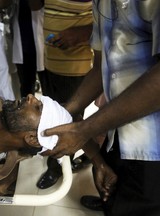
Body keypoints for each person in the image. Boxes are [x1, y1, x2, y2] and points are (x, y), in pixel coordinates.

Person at [41, 1, 160, 215]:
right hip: (119, 132)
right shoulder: (102, 3)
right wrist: (66, 113)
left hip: (154, 146)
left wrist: (83, 130)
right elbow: (103, 65)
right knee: (112, 197)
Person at [28, 0, 94, 189]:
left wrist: (81, 34)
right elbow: (36, 6)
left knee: (66, 120)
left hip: (75, 65)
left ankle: (57, 167)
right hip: (50, 61)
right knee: (55, 115)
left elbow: (109, 20)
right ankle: (84, 155)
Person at [12, 0, 44, 97]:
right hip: (23, 44)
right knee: (26, 91)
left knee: (49, 91)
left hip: (43, 43)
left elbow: (35, 5)